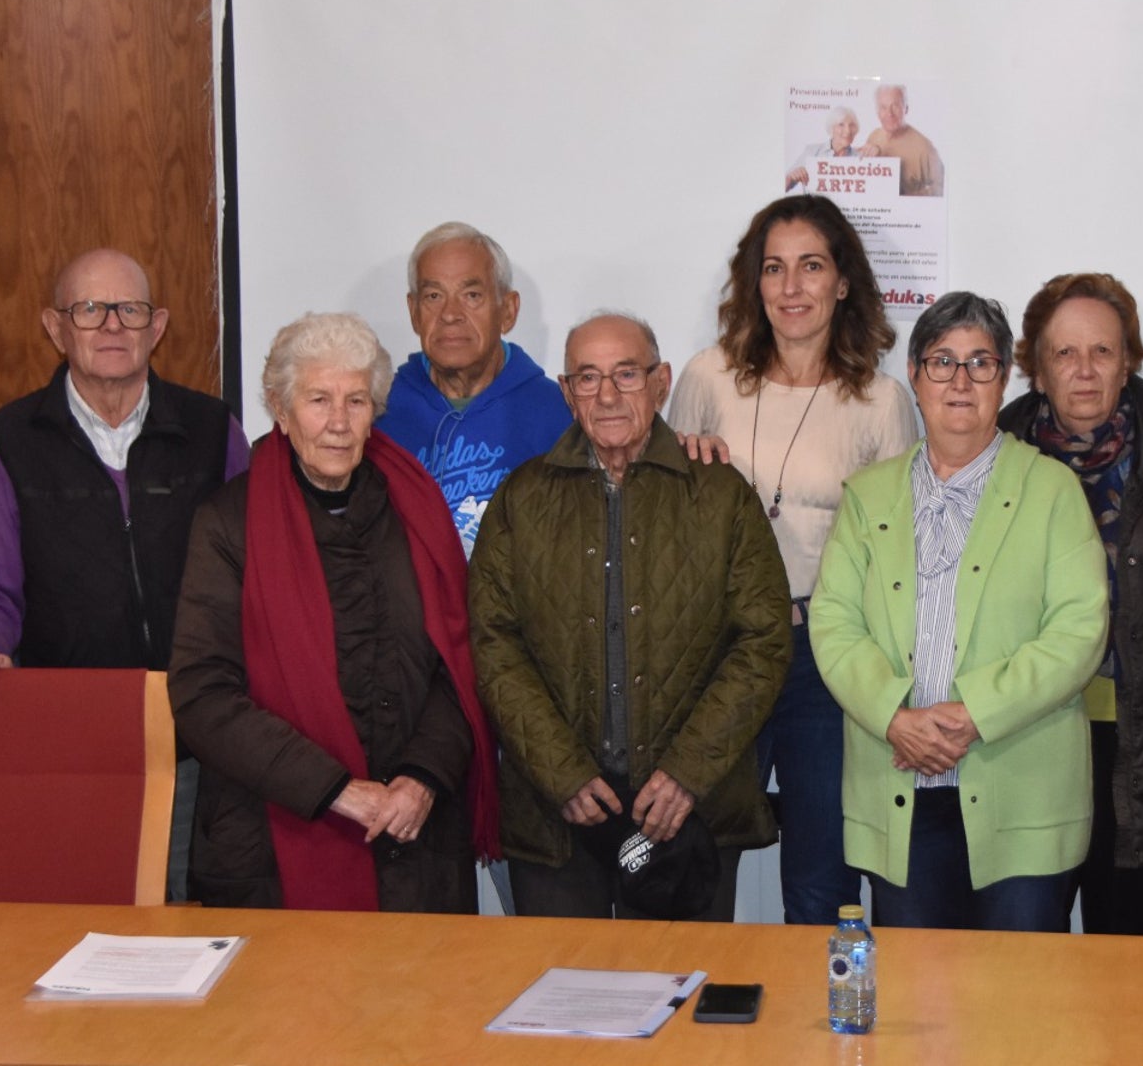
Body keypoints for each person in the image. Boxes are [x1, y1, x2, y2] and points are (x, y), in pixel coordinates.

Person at [0, 248, 249, 903]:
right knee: (84, 924)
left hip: (197, 734)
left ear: (156, 326)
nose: (111, 325)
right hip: (70, 738)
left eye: (129, 309)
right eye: (89, 309)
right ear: (55, 327)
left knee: (194, 926)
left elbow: (259, 567)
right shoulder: (10, 440)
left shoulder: (211, 431)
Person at [170, 312, 498, 912]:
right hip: (274, 840)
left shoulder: (417, 509)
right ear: (280, 406)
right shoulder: (228, 522)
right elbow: (203, 694)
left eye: (356, 400)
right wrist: (337, 792)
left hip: (416, 838)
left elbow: (459, 662)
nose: (340, 423)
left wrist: (422, 779)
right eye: (319, 399)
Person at [470, 312, 791, 920]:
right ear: (566, 393)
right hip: (557, 816)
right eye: (587, 378)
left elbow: (764, 642)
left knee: (685, 999)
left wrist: (687, 773)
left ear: (662, 381)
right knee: (564, 1001)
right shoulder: (521, 500)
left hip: (687, 813)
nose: (609, 395)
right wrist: (560, 771)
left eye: (626, 374)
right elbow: (493, 644)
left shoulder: (721, 496)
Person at [812, 291, 1106, 932]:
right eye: (942, 362)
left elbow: (1078, 632)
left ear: (1005, 379)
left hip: (1022, 797)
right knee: (920, 1014)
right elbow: (833, 623)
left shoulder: (1052, 489)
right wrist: (895, 717)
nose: (961, 380)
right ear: (914, 377)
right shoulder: (868, 496)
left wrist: (975, 714)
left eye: (981, 363)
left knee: (1018, 1011)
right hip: (902, 793)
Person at [666, 194, 917, 925]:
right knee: (699, 858)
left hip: (823, 657)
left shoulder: (879, 400)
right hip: (718, 651)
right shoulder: (707, 378)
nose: (792, 287)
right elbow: (666, 518)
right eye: (773, 269)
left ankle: (820, 1036)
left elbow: (894, 561)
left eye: (812, 266)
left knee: (820, 876)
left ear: (844, 282)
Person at [996, 271, 1143, 936]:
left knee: (1129, 969)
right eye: (1065, 353)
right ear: (1036, 370)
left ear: (1130, 361)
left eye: (1103, 352)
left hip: (1138, 743)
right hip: (1022, 735)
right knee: (1024, 965)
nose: (1084, 371)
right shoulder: (988, 458)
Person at [375, 221, 573, 556]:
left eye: (472, 295)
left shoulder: (560, 413)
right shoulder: (377, 411)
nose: (451, 314)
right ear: (414, 313)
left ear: (508, 310)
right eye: (434, 296)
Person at [857, 84, 944, 197]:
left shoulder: (924, 147)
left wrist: (906, 200)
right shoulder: (874, 136)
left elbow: (943, 188)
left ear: (906, 108)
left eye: (895, 106)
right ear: (877, 112)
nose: (889, 113)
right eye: (883, 107)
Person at [785, 106, 863, 191]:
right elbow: (782, 187)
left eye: (851, 125)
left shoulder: (861, 157)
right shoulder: (812, 151)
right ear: (831, 128)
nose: (848, 131)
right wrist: (791, 177)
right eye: (841, 125)